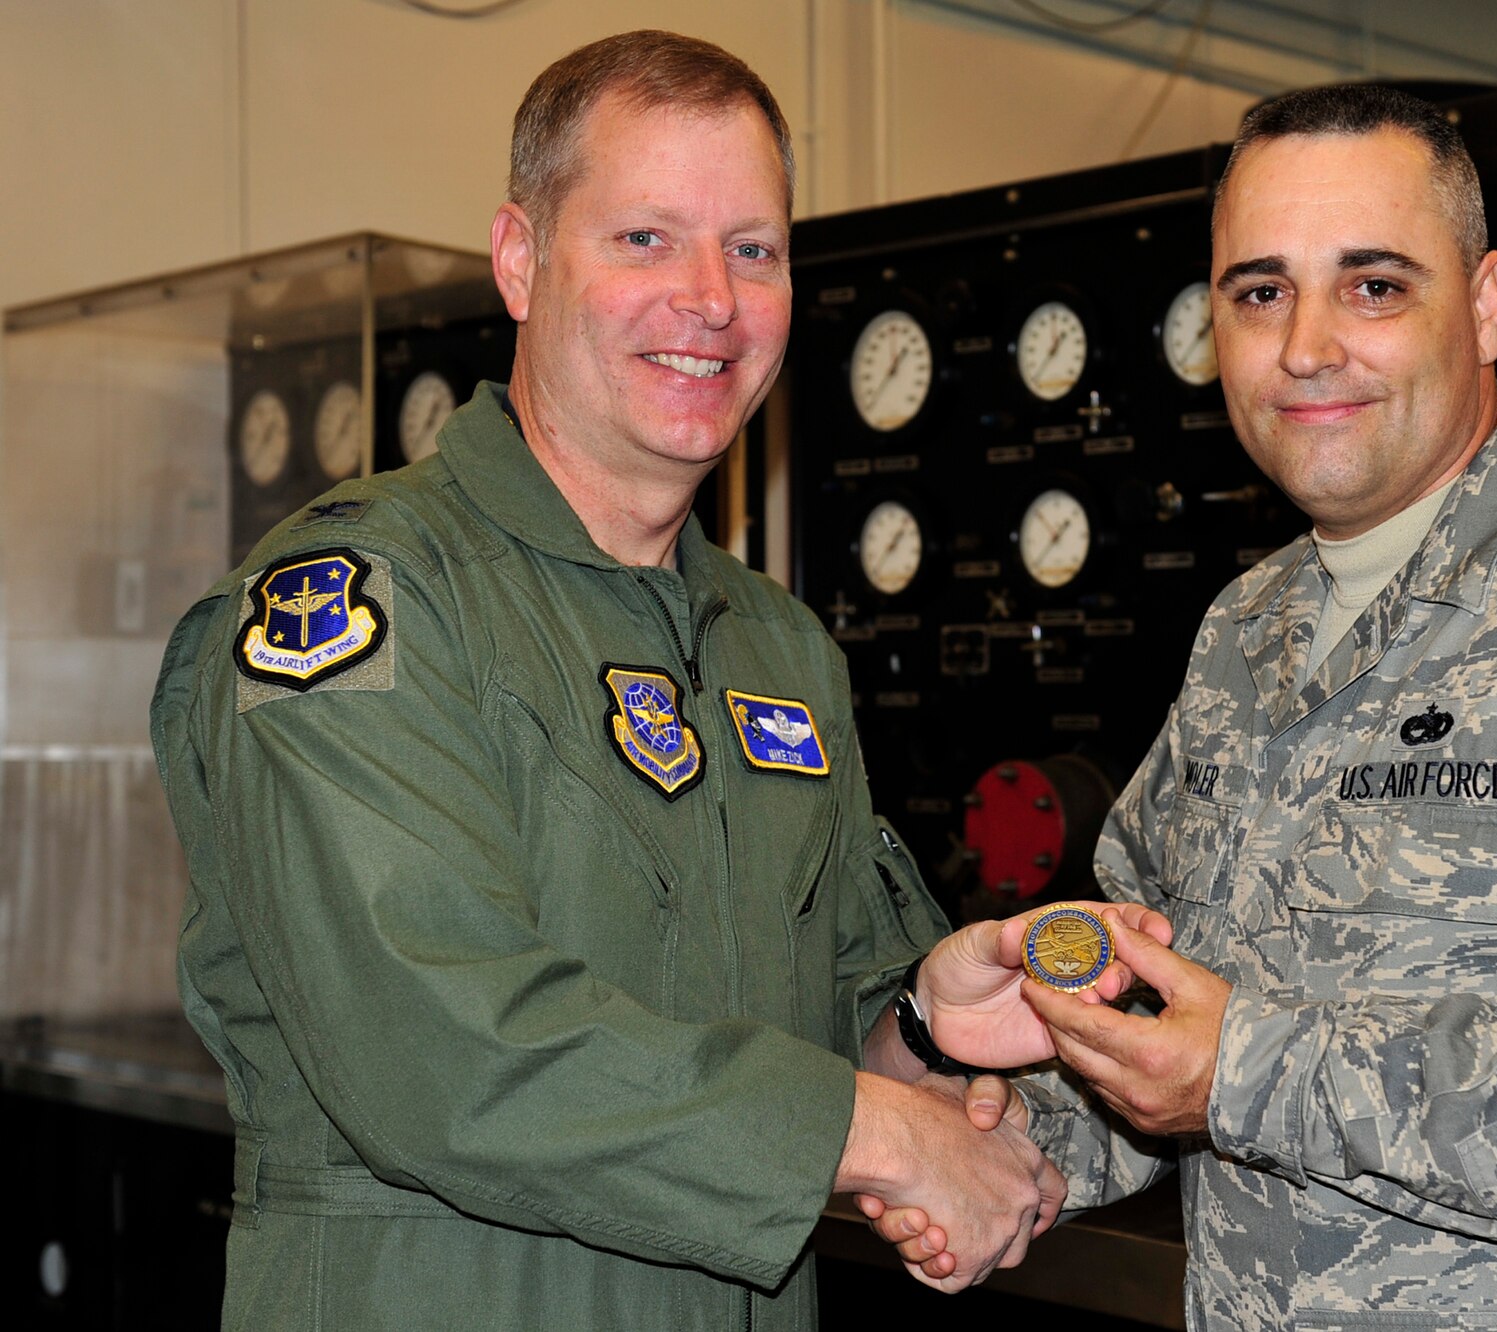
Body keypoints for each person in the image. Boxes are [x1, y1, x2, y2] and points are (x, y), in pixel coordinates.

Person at [151, 30, 1161, 1329]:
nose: (711, 299)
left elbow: (817, 1038)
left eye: (754, 249)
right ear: (520, 261)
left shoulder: (774, 646)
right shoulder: (365, 603)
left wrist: (925, 1025)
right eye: (644, 240)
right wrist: (892, 1141)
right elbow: (445, 1053)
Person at [882, 85, 1497, 1328]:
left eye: (1372, 286)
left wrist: (1254, 1068)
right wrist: (1005, 1155)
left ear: (1483, 304)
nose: (1305, 345)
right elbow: (1164, 1013)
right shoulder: (1249, 634)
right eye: (1258, 292)